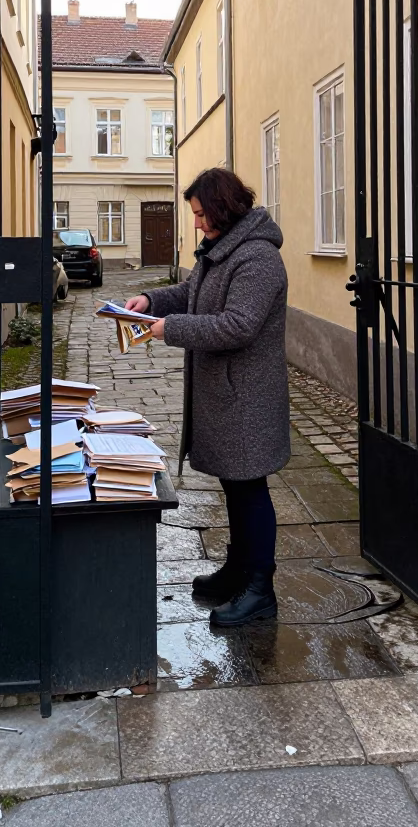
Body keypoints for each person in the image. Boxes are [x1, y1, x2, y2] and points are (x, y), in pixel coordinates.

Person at [125, 167, 289, 626]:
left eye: (200, 214)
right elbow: (192, 292)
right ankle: (239, 569)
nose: (196, 223)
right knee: (233, 485)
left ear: (222, 208)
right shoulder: (221, 249)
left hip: (248, 398)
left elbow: (238, 325)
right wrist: (150, 300)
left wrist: (168, 329)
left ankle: (260, 589)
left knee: (250, 489)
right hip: (227, 395)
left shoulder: (257, 257)